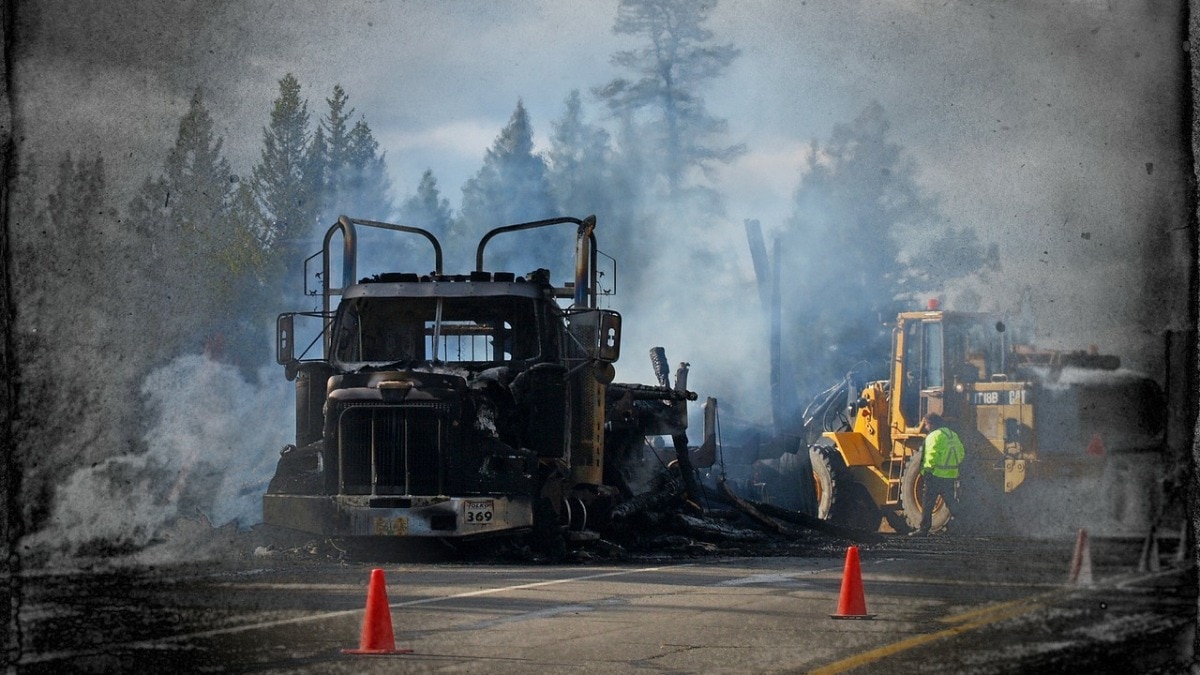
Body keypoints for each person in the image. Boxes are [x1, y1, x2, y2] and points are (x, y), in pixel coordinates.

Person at [910, 412, 966, 536]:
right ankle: (963, 526)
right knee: (951, 502)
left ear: (931, 424)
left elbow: (930, 456)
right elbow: (961, 452)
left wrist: (926, 471)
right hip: (950, 475)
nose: (925, 428)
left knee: (928, 503)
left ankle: (924, 529)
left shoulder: (933, 436)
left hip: (935, 476)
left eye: (926, 424)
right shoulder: (952, 435)